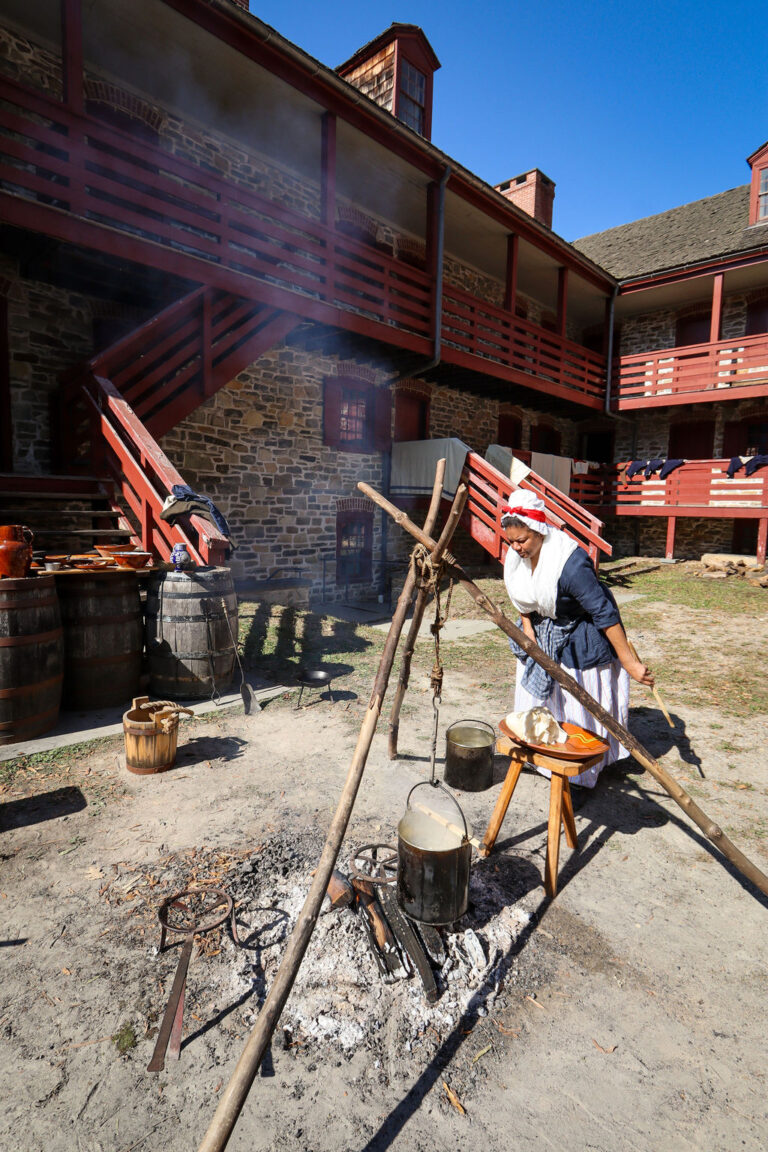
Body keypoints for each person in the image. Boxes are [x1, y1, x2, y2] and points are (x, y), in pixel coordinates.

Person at [502, 489, 654, 788]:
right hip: (544, 630)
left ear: (539, 530)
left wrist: (630, 662)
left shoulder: (569, 563)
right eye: (512, 542)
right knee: (546, 701)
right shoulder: (517, 556)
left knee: (579, 705)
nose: (517, 548)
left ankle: (582, 772)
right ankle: (544, 752)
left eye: (523, 541)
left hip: (578, 632)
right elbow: (521, 595)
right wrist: (527, 627)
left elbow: (604, 612)